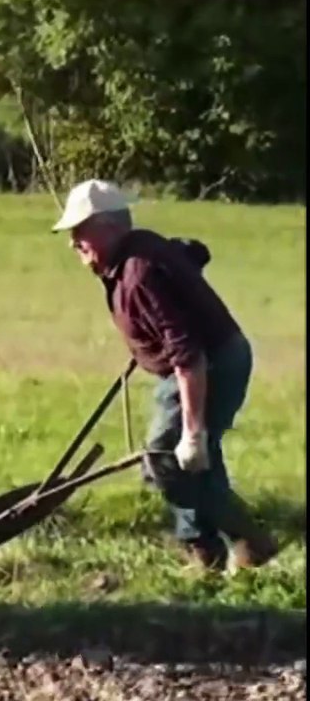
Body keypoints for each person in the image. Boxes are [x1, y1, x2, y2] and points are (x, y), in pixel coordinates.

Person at [51, 178, 279, 572]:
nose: (73, 242)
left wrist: (192, 433)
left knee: (166, 459)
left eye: (80, 231)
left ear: (110, 227)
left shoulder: (138, 273)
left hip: (210, 366)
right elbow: (189, 252)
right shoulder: (138, 251)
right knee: (192, 464)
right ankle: (211, 554)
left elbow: (189, 356)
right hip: (198, 363)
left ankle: (240, 543)